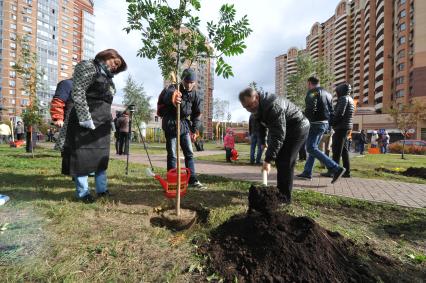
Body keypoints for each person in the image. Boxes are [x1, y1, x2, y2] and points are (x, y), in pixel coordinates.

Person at [58, 48, 127, 203]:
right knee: (82, 157)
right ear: (108, 55)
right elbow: (78, 91)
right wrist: (84, 118)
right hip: (85, 122)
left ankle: (102, 190)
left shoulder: (108, 78)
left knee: (100, 157)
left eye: (118, 67)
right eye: (116, 63)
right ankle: (83, 193)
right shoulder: (89, 66)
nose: (115, 67)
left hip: (102, 123)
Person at [239, 88, 309, 204]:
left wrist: (268, 160)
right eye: (246, 107)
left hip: (298, 127)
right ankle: (280, 192)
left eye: (251, 105)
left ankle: (284, 198)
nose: (250, 109)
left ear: (256, 97)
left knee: (285, 161)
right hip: (285, 129)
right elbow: (261, 126)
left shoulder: (272, 106)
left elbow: (278, 135)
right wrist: (263, 142)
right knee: (281, 160)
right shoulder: (256, 109)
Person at [159, 68, 205, 189]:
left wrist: (194, 130)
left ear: (195, 82)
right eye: (187, 81)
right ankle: (172, 180)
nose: (189, 85)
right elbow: (168, 95)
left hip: (184, 125)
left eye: (192, 82)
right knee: (173, 154)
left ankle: (192, 179)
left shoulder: (195, 94)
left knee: (189, 153)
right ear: (182, 80)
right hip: (170, 124)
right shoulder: (174, 88)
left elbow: (197, 113)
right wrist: (174, 98)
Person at [296, 76, 346, 183]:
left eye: (307, 84)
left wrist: (305, 120)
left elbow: (310, 109)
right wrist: (330, 125)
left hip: (314, 123)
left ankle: (336, 168)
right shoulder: (328, 94)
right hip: (324, 124)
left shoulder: (312, 93)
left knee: (310, 148)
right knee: (313, 148)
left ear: (309, 83)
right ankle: (307, 172)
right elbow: (332, 111)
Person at [323, 83, 354, 178]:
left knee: (336, 151)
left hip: (341, 127)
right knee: (344, 151)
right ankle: (347, 171)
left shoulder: (343, 99)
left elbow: (340, 113)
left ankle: (333, 171)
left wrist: (332, 122)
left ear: (340, 91)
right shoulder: (350, 99)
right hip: (346, 127)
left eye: (337, 92)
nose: (336, 94)